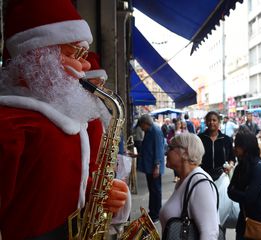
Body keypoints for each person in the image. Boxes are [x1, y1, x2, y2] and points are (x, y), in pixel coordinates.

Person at [0, 0, 129, 238]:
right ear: (37, 58)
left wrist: (104, 195)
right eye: (74, 53)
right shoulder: (10, 125)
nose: (86, 65)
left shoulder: (72, 122)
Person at [160, 133, 220, 240]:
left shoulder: (199, 182)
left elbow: (210, 233)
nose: (166, 152)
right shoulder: (184, 181)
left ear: (185, 153)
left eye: (170, 148)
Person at [228, 128, 261, 240]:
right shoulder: (240, 166)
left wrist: (235, 191)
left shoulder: (258, 168)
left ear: (245, 147)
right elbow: (229, 191)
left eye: (237, 145)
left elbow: (249, 197)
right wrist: (239, 192)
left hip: (258, 223)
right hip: (243, 220)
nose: (234, 148)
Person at [132, 114, 165, 222]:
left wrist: (157, 166)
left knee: (155, 190)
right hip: (150, 167)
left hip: (154, 167)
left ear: (145, 123)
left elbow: (159, 150)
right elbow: (148, 148)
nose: (141, 128)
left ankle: (156, 214)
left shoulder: (155, 131)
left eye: (141, 125)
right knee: (153, 190)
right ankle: (153, 212)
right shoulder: (149, 131)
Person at [198, 111, 235, 181]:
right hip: (203, 176)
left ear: (219, 122)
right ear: (206, 122)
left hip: (222, 176)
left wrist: (230, 166)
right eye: (209, 120)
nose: (211, 122)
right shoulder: (199, 138)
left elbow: (232, 157)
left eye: (214, 120)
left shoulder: (226, 139)